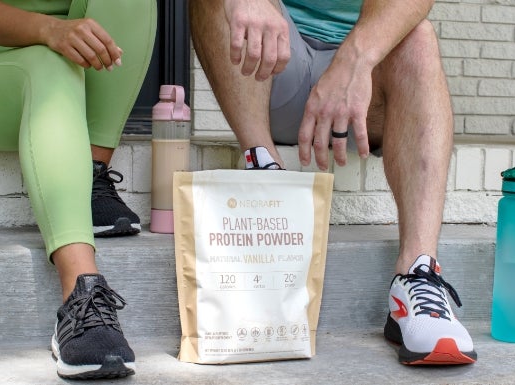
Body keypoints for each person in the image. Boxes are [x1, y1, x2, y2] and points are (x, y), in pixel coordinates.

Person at [190, 0, 478, 365]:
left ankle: (417, 275)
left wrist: (355, 59)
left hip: (363, 84)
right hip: (275, 64)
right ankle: (263, 171)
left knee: (419, 36)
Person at [0, 0, 156, 379]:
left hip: (67, 73)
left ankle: (91, 173)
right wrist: (52, 31)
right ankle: (81, 293)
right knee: (51, 62)